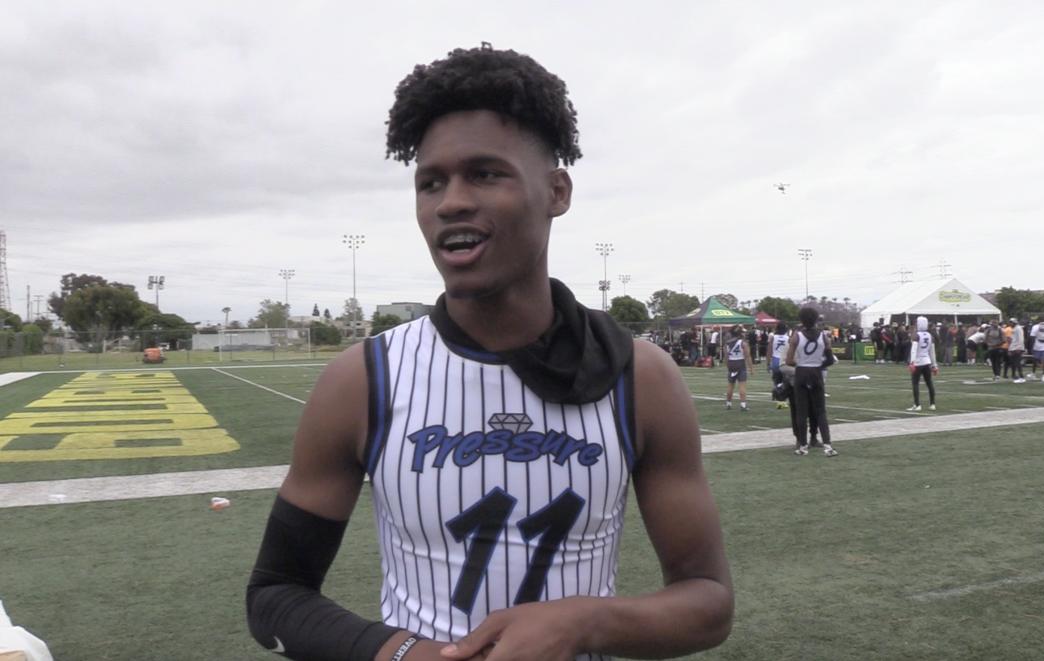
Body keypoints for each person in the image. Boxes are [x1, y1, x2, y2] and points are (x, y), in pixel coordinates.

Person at [245, 44, 733, 661]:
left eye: (485, 173)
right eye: (431, 182)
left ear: (557, 191)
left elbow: (709, 600)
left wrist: (584, 622)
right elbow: (275, 594)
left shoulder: (640, 378)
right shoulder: (366, 379)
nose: (450, 201)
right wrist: (406, 654)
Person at [785, 307, 837, 457]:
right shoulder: (824, 336)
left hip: (801, 372)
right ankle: (828, 446)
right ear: (816, 320)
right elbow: (829, 360)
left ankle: (802, 446)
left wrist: (801, 363)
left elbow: (788, 360)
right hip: (816, 373)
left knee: (802, 411)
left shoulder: (796, 336)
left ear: (801, 320)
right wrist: (818, 365)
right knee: (820, 411)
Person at [907, 316, 937, 412]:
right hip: (927, 362)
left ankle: (917, 404)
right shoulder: (930, 335)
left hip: (918, 363)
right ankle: (932, 404)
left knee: (915, 384)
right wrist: (934, 365)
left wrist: (912, 362)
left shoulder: (916, 335)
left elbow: (914, 350)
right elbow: (932, 352)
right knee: (929, 383)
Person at [724, 326, 754, 411]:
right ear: (740, 333)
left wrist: (728, 366)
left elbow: (726, 357)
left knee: (730, 385)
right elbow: (748, 356)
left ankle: (728, 404)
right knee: (742, 385)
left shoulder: (727, 343)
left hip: (731, 364)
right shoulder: (743, 343)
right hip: (740, 363)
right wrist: (751, 368)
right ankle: (743, 405)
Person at [769, 321, 791, 409]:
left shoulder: (773, 337)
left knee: (777, 381)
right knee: (785, 382)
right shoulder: (788, 338)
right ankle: (782, 400)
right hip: (784, 360)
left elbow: (769, 350)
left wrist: (767, 362)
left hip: (775, 359)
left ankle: (779, 400)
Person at [1007, 319, 1027, 384]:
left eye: (1011, 323)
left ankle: (1022, 377)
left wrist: (1019, 348)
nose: (1010, 324)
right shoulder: (1015, 328)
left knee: (1017, 363)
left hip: (1017, 348)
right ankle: (1016, 376)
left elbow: (1021, 339)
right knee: (1014, 363)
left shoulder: (1018, 328)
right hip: (1013, 348)